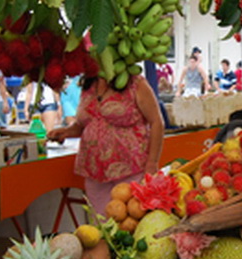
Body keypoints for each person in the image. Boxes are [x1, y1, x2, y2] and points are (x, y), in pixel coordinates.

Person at [46, 74, 165, 212]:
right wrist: (66, 132)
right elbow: (86, 123)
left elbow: (157, 122)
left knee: (130, 222)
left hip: (132, 170)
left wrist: (152, 164)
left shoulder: (136, 83)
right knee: (102, 225)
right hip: (95, 174)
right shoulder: (89, 85)